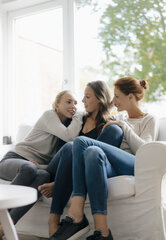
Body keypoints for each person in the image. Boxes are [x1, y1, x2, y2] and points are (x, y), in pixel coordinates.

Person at [49, 77, 159, 240]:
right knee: (92, 152)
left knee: (81, 141)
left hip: (133, 164)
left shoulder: (148, 119)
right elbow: (106, 146)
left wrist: (124, 127)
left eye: (117, 96)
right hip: (112, 167)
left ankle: (76, 214)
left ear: (130, 97)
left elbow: (143, 150)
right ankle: (103, 232)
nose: (114, 101)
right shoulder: (119, 118)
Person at [38, 80, 123, 238]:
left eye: (87, 97)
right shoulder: (77, 120)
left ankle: (62, 221)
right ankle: (53, 223)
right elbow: (59, 150)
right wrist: (42, 167)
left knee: (82, 147)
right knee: (70, 147)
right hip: (59, 167)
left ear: (99, 98)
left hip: (80, 171)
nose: (82, 101)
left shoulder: (107, 127)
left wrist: (57, 184)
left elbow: (95, 163)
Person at [0, 90, 83, 238]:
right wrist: (79, 115)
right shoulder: (49, 115)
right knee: (29, 168)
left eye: (76, 104)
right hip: (13, 158)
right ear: (57, 105)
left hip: (31, 166)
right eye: (68, 102)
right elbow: (70, 137)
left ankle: (7, 225)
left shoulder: (66, 127)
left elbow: (53, 161)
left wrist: (39, 166)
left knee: (44, 175)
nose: (73, 106)